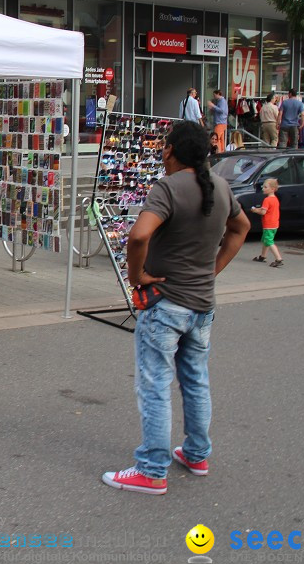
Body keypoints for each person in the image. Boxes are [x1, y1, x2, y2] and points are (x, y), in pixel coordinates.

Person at [101, 121, 250, 495]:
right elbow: (241, 227)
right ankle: (197, 454)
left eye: (164, 145)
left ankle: (151, 469)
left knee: (154, 385)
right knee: (196, 379)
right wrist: (211, 270)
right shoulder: (219, 186)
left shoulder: (167, 188)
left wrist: (137, 277)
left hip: (167, 304)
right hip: (202, 304)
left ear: (170, 150)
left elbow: (138, 235)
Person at [250, 178, 283, 267]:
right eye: (263, 187)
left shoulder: (267, 200)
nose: (263, 189)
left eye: (265, 187)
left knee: (269, 241)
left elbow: (263, 212)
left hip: (268, 224)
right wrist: (258, 209)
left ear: (272, 189)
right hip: (274, 224)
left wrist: (255, 210)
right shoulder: (275, 199)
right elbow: (267, 210)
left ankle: (278, 259)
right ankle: (263, 256)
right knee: (266, 240)